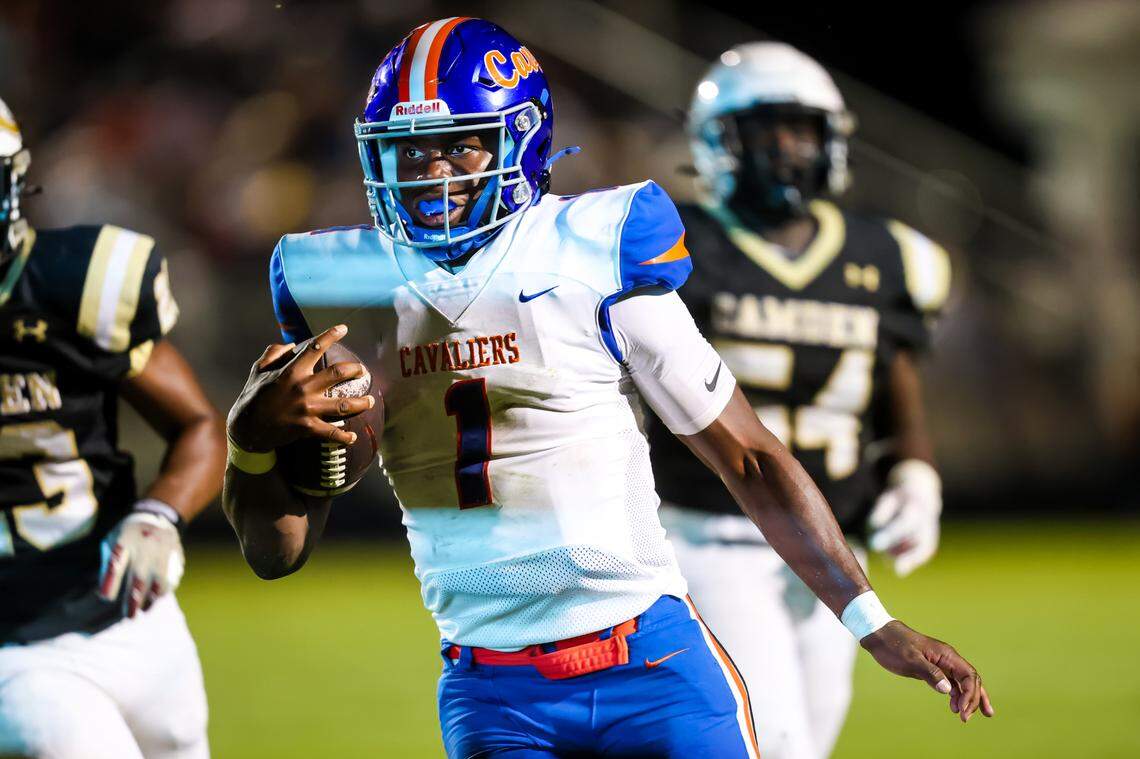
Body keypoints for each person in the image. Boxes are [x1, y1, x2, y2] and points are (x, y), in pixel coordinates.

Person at [223, 19, 991, 758]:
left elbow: (750, 455)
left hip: (652, 662)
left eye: (460, 146)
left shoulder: (592, 249)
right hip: (492, 690)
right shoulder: (344, 285)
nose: (434, 174)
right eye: (412, 149)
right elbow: (278, 551)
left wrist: (872, 622)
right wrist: (249, 445)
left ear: (520, 140)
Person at [646, 42, 952, 759]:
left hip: (831, 539)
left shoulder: (889, 255)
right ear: (717, 142)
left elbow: (894, 374)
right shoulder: (672, 243)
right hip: (708, 531)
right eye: (763, 129)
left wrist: (915, 471)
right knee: (775, 740)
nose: (785, 148)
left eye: (800, 128)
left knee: (808, 735)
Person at [0, 97, 225, 759]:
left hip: (130, 609)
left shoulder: (72, 287)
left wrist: (159, 513)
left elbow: (197, 424)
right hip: (14, 646)